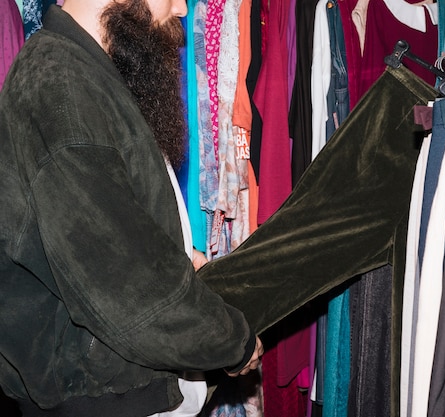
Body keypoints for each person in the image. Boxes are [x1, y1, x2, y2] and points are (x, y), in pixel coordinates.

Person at [0, 0, 263, 416]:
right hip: (101, 399)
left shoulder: (83, 73)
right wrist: (233, 341)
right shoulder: (62, 88)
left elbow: (108, 232)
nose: (181, 9)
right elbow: (124, 285)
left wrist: (176, 255)